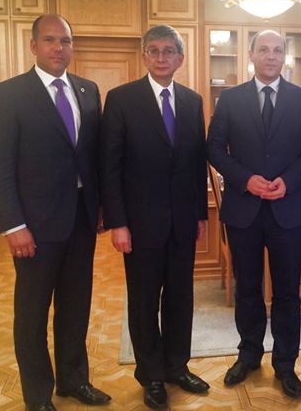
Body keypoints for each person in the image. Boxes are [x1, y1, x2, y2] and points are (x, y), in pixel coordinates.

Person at [0, 14, 111, 411]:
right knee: (32, 314)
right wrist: (13, 225)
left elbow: (92, 157)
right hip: (34, 226)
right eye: (49, 40)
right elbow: (1, 166)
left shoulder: (87, 90)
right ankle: (37, 395)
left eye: (65, 41)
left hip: (81, 220)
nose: (58, 48)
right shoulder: (9, 94)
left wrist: (100, 207)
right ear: (33, 46)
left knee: (76, 306)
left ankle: (73, 380)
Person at [207, 30, 301, 399]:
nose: (271, 56)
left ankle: (286, 363)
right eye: (264, 50)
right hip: (243, 209)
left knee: (288, 292)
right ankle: (249, 354)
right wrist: (246, 179)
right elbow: (214, 148)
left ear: (284, 57)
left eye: (278, 50)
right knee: (247, 287)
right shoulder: (230, 99)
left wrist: (288, 181)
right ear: (251, 55)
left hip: (286, 209)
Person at [100, 25, 209, 409]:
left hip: (182, 223)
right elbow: (109, 167)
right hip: (139, 225)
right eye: (154, 51)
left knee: (180, 298)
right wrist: (117, 222)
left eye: (168, 51)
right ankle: (151, 375)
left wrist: (200, 215)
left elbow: (196, 163)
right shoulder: (121, 99)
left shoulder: (193, 101)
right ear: (144, 56)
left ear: (180, 58)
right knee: (144, 302)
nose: (161, 57)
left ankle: (177, 366)